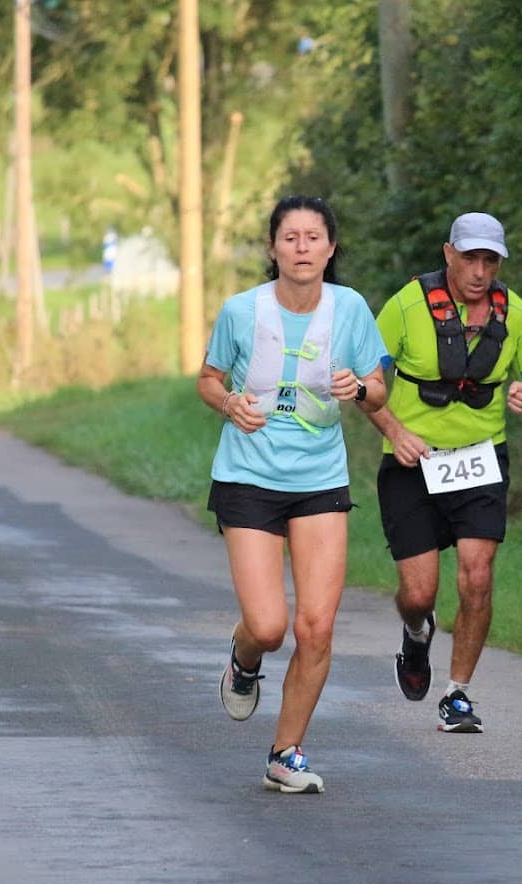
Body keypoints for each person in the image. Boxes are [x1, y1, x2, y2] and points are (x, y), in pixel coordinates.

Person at [196, 195, 388, 794]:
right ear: (273, 248)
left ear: (331, 248)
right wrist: (230, 403)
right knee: (269, 625)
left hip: (319, 479)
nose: (302, 248)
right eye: (290, 237)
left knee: (316, 628)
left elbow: (379, 388)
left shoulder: (350, 308)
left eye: (313, 237)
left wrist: (360, 389)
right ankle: (244, 655)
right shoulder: (241, 310)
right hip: (248, 476)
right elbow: (208, 379)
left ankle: (286, 754)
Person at [367, 212, 522, 732]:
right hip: (412, 461)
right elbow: (365, 383)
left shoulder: (516, 314)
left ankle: (458, 694)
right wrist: (395, 431)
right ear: (449, 253)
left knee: (478, 576)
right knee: (418, 594)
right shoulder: (406, 306)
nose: (479, 271)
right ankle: (416, 632)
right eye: (470, 258)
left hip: (480, 459)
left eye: (490, 261)